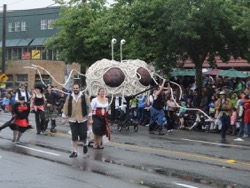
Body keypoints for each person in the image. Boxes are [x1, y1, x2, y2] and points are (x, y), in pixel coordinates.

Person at [62, 83, 93, 158]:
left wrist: (90, 118)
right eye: (74, 88)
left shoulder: (85, 97)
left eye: (77, 88)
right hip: (72, 119)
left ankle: (85, 145)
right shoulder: (69, 97)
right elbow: (65, 106)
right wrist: (63, 118)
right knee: (74, 136)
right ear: (72, 89)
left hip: (82, 119)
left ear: (79, 88)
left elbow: (88, 107)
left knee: (83, 136)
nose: (75, 89)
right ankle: (74, 151)